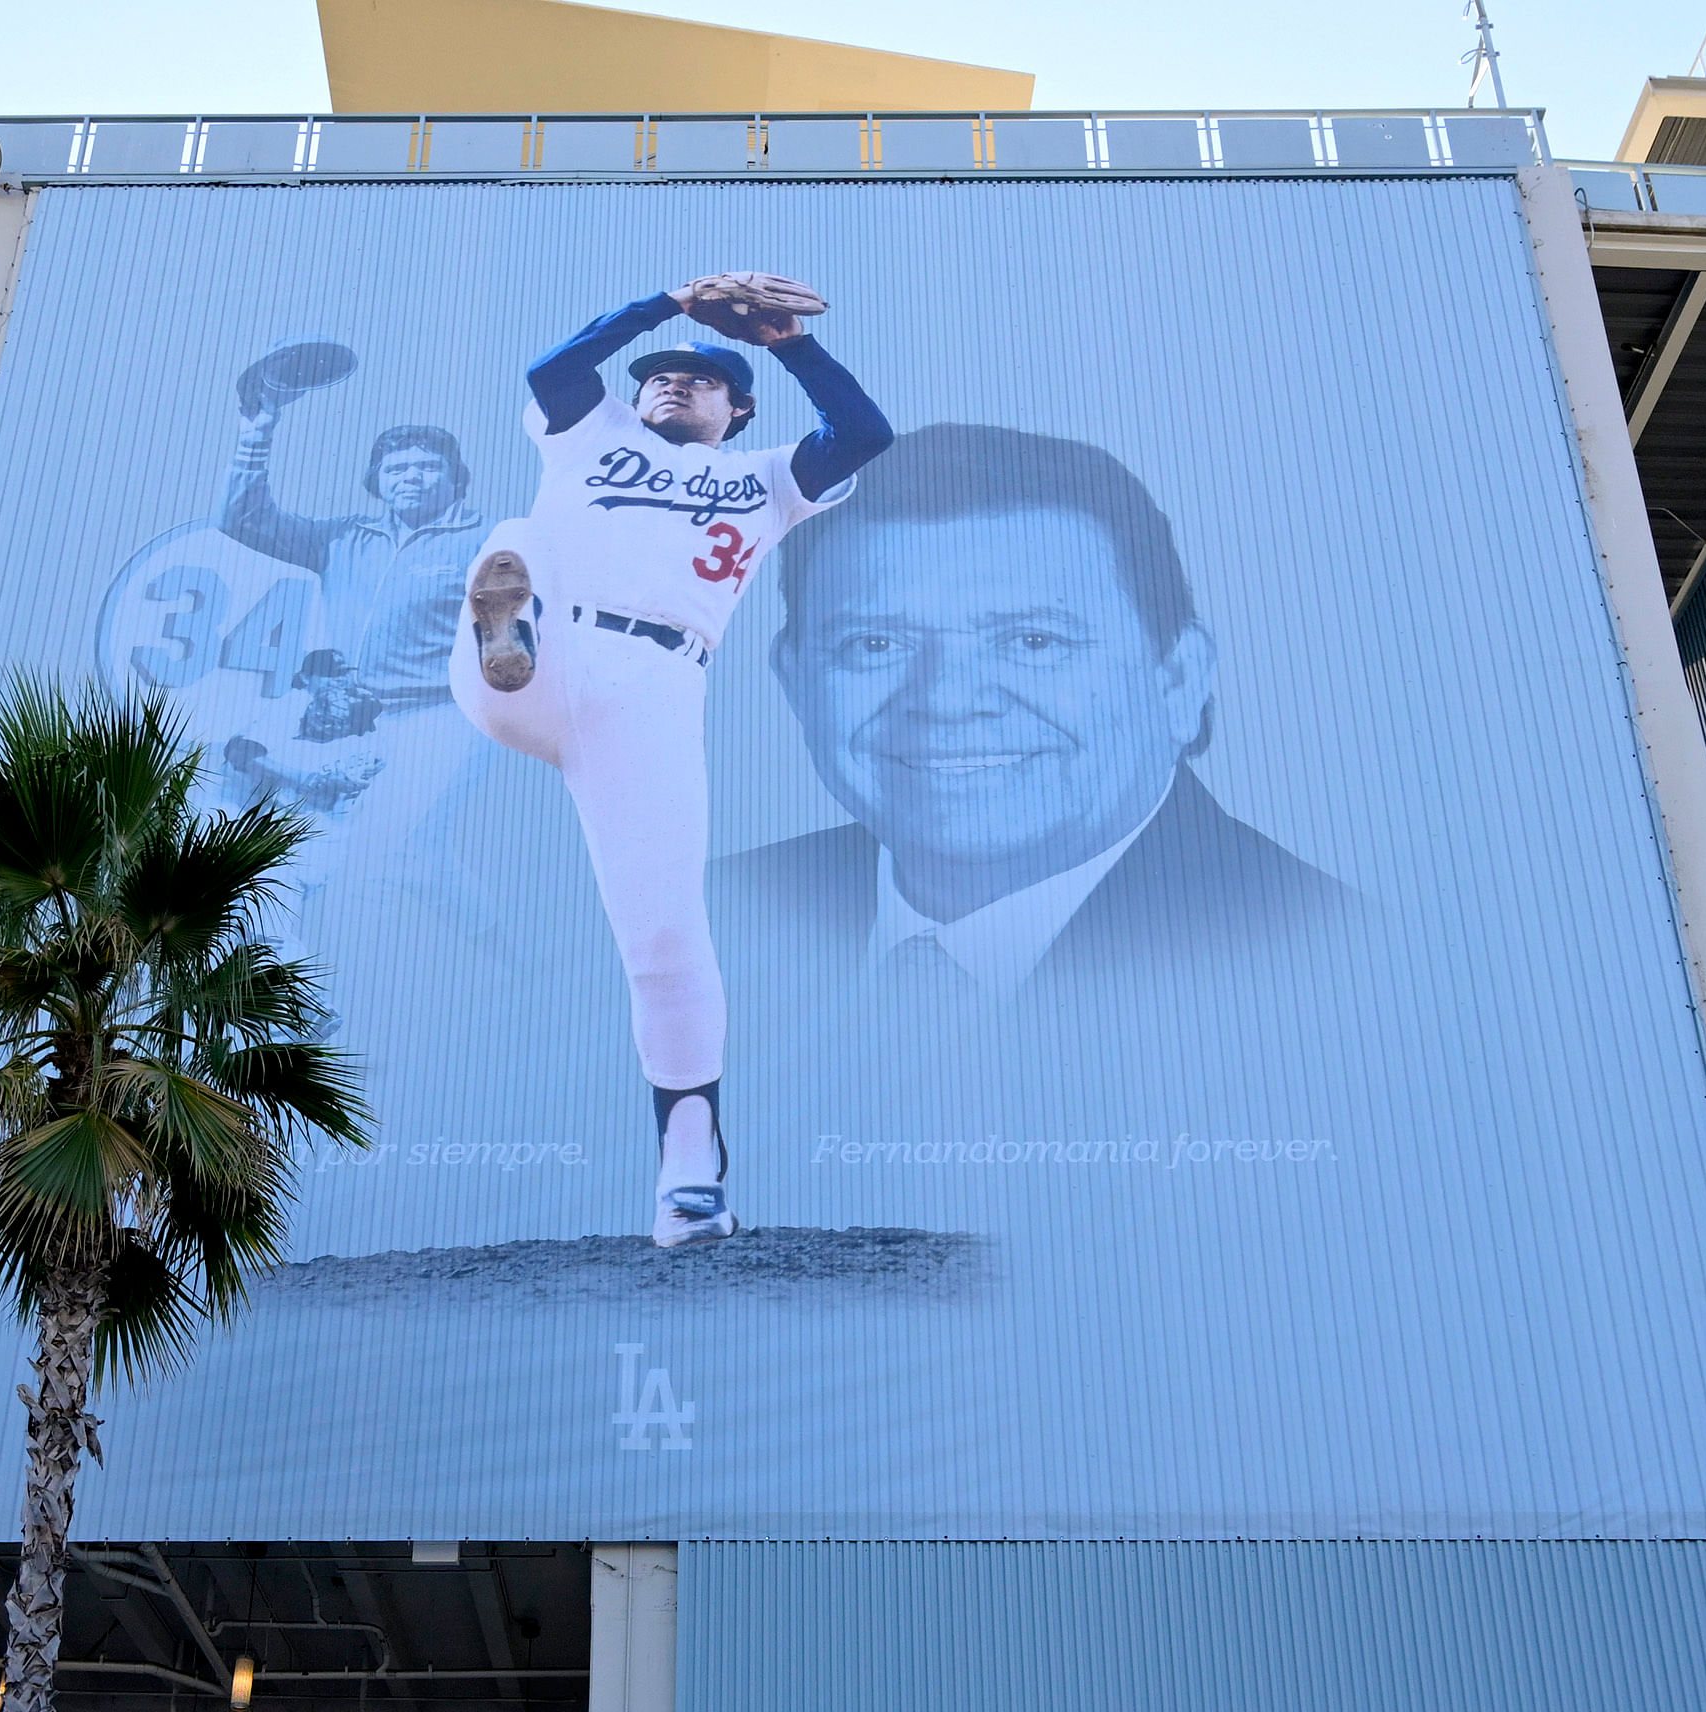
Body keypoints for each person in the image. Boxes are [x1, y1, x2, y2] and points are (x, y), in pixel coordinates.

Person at [450, 276, 895, 1246]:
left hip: (654, 692)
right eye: (661, 377)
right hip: (546, 650)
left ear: (738, 410)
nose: (673, 385)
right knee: (514, 540)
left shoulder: (768, 480)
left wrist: (787, 345)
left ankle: (689, 1173)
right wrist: (668, 305)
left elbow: (863, 435)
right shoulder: (589, 431)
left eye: (701, 380)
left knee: (663, 937)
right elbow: (552, 370)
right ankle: (504, 633)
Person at [715, 423, 1352, 1010]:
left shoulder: (1329, 956)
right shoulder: (713, 919)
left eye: (1034, 642)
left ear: (1177, 678)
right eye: (875, 645)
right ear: (795, 681)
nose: (947, 703)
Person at [214, 381, 496, 908]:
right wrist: (256, 436)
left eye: (427, 466)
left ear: (456, 479)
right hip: (352, 720)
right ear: (378, 483)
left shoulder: (490, 539)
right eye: (395, 469)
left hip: (437, 720)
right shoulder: (343, 537)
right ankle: (520, 955)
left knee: (393, 855)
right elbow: (243, 521)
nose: (410, 476)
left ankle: (518, 958)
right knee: (386, 864)